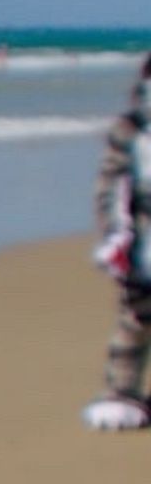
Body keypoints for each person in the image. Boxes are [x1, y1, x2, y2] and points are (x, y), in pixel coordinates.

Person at [84, 52, 151, 430]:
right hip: (141, 239)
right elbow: (108, 183)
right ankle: (122, 391)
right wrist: (112, 233)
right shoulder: (130, 128)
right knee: (136, 317)